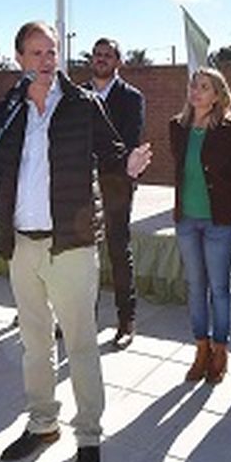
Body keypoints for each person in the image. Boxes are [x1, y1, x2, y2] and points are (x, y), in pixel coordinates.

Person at [0, 21, 151, 462]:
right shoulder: (10, 107)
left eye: (52, 51)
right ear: (19, 59)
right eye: (37, 53)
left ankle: (88, 435)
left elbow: (113, 152)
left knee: (80, 342)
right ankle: (42, 424)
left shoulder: (81, 103)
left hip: (70, 244)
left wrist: (127, 164)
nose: (47, 60)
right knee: (33, 342)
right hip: (22, 242)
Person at [169, 67, 231, 385]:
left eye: (204, 87)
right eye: (194, 86)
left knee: (219, 289)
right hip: (186, 220)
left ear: (217, 95)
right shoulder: (177, 126)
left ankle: (220, 349)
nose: (196, 91)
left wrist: (228, 206)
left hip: (218, 222)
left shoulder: (230, 128)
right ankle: (200, 348)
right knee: (195, 287)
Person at [83, 37, 146, 345]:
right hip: (80, 187)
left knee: (118, 250)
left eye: (107, 55)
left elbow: (128, 142)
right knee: (83, 254)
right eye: (97, 55)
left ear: (118, 61)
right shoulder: (77, 95)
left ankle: (126, 320)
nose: (101, 59)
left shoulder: (131, 98)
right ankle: (82, 319)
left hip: (116, 184)